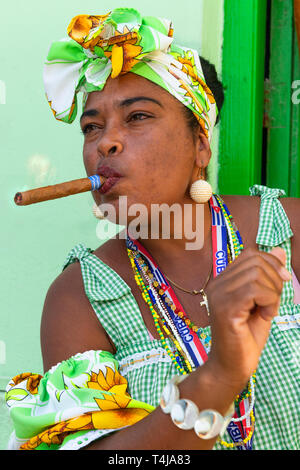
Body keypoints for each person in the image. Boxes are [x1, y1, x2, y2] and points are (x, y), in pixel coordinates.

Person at [6, 8, 300, 450]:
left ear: (200, 144)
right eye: (91, 127)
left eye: (138, 116)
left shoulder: (288, 232)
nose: (106, 142)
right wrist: (220, 373)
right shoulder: (80, 300)